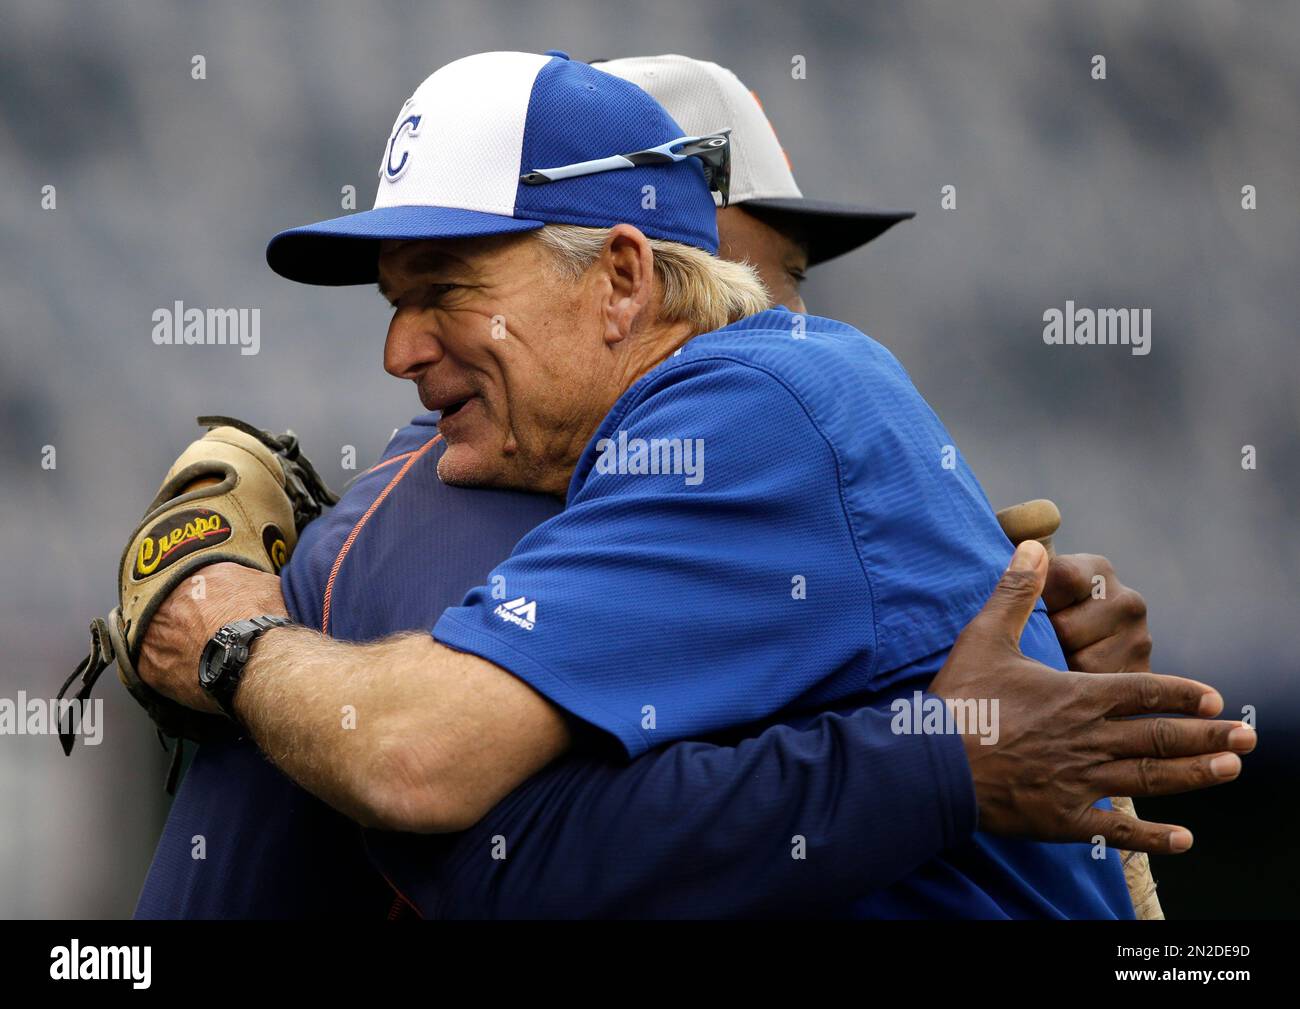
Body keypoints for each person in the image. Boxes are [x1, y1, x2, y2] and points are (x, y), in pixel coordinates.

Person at [135, 52, 1248, 919]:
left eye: (447, 288)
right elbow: (488, 844)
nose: (399, 351)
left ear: (624, 277)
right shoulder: (530, 462)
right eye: (397, 298)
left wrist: (225, 638)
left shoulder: (758, 395)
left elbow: (438, 791)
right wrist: (930, 754)